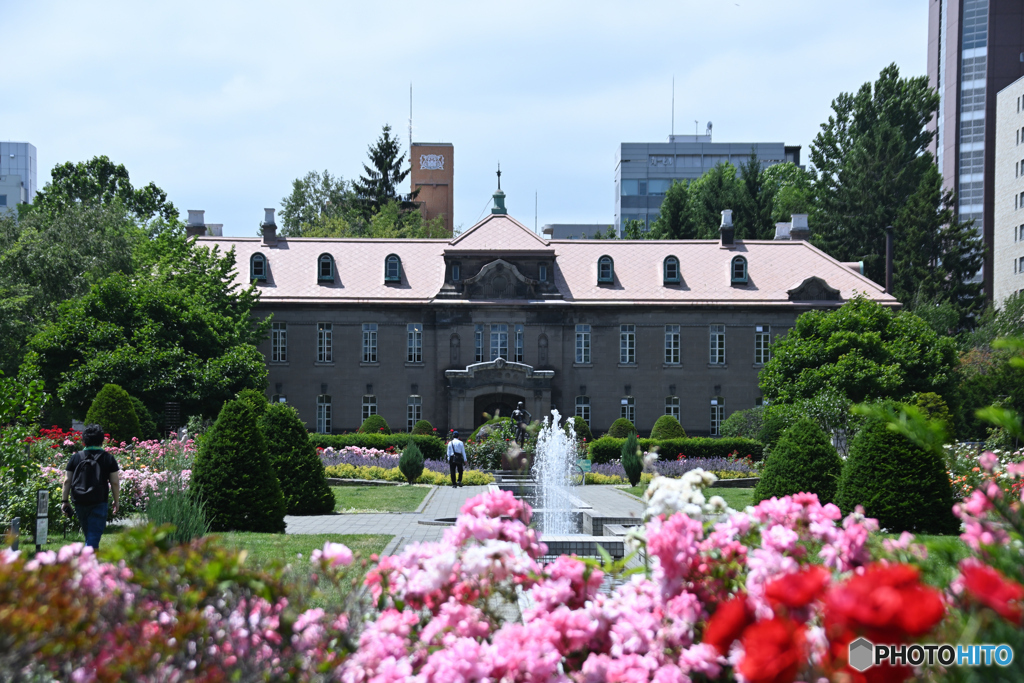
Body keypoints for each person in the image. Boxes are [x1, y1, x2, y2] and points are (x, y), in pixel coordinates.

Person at [62, 424, 120, 549]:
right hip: (99, 500)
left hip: (80, 500)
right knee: (93, 536)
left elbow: (67, 480)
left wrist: (64, 501)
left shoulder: (75, 457)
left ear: (84, 440)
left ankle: (90, 562)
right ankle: (88, 562)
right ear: (102, 440)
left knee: (89, 535)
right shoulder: (108, 458)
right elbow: (114, 482)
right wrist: (116, 501)